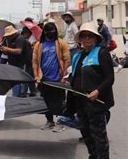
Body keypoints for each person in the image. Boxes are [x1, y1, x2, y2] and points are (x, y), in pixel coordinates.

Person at [69, 23, 114, 159]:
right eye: (84, 36)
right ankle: (93, 156)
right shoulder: (77, 56)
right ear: (80, 40)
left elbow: (110, 78)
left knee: (98, 136)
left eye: (90, 36)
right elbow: (75, 75)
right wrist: (67, 79)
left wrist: (98, 91)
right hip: (80, 102)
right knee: (86, 134)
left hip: (96, 103)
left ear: (96, 39)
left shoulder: (102, 53)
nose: (87, 39)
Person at [32, 22, 70, 132]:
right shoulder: (39, 45)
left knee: (60, 101)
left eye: (53, 31)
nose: (50, 34)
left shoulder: (61, 43)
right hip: (44, 78)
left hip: (58, 78)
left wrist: (64, 76)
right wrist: (36, 75)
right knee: (46, 101)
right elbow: (34, 61)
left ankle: (60, 122)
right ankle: (49, 121)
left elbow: (67, 59)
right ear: (44, 32)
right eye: (48, 32)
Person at [0, 26, 31, 98]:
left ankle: (18, 97)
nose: (7, 37)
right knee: (16, 81)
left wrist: (7, 49)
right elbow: (10, 51)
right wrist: (4, 50)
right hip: (14, 63)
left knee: (19, 81)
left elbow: (18, 51)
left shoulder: (20, 39)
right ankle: (17, 96)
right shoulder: (10, 40)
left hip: (22, 63)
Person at [20, 27, 37, 98]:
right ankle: (33, 91)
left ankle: (23, 92)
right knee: (30, 76)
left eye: (24, 33)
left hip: (30, 60)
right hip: (30, 60)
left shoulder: (32, 39)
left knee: (26, 76)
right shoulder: (27, 39)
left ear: (28, 33)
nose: (24, 35)